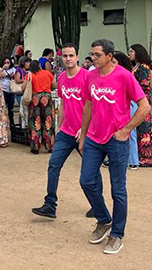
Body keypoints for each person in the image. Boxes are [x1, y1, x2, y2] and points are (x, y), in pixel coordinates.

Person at [79, 39, 150, 255]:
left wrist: (126, 130)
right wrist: (83, 136)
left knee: (118, 189)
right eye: (92, 54)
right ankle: (103, 220)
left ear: (110, 56)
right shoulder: (90, 75)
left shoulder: (124, 76)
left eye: (98, 54)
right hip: (93, 138)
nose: (94, 58)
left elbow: (144, 105)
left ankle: (117, 234)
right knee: (86, 181)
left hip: (116, 140)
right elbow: (88, 105)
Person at [32, 43, 92, 218]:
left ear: (77, 57)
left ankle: (97, 204)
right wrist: (59, 126)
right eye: (65, 56)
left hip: (84, 133)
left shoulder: (87, 77)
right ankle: (50, 204)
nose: (68, 59)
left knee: (91, 170)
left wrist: (85, 129)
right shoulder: (61, 79)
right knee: (53, 165)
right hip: (66, 133)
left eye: (71, 55)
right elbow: (64, 104)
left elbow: (94, 106)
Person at [129, 44, 152, 166]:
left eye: (132, 51)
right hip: (136, 100)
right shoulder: (136, 66)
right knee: (139, 128)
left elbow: (144, 84)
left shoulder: (143, 67)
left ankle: (147, 158)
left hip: (142, 101)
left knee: (144, 128)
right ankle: (140, 155)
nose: (129, 53)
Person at [113, 52, 139, 169]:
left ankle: (133, 161)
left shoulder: (126, 76)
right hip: (124, 106)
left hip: (130, 105)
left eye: (114, 62)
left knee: (130, 133)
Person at [28, 59, 56, 154]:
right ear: (39, 65)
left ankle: (35, 147)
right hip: (46, 97)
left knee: (35, 122)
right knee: (48, 121)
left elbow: (24, 87)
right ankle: (49, 146)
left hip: (35, 98)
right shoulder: (47, 73)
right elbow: (54, 85)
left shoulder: (30, 75)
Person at [0, 57, 16, 127]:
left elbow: (15, 76)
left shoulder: (13, 69)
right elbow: (0, 75)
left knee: (10, 108)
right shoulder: (1, 69)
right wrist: (3, 69)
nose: (6, 64)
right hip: (3, 89)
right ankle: (2, 123)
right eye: (5, 62)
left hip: (11, 90)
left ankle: (11, 123)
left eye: (8, 63)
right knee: (2, 107)